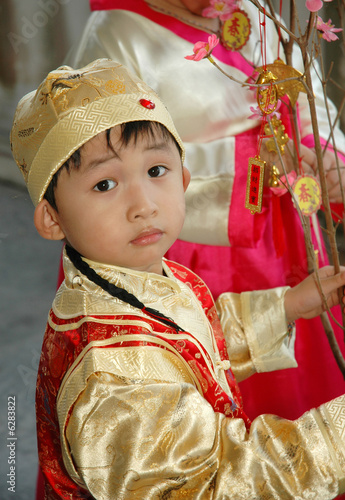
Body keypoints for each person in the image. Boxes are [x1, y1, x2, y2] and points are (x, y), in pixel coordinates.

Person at [11, 58, 345, 499]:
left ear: (184, 178)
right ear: (52, 218)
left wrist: (283, 306)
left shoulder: (134, 277)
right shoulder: (111, 380)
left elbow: (190, 341)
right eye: (105, 185)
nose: (143, 204)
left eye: (155, 172)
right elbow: (213, 483)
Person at [64, 0, 345, 423]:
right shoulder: (113, 36)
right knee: (210, 379)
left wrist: (326, 149)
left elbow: (302, 89)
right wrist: (258, 161)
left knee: (303, 372)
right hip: (187, 247)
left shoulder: (252, 9)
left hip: (284, 230)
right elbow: (107, 171)